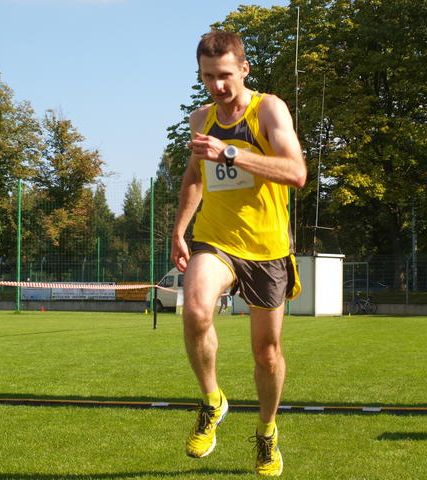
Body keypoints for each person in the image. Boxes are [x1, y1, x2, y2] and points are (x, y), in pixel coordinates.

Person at [171, 31, 306, 477]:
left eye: (225, 75)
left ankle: (266, 432)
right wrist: (180, 230)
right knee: (195, 310)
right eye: (208, 77)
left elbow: (296, 173)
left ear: (244, 69)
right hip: (216, 239)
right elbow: (195, 175)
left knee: (266, 353)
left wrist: (230, 152)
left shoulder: (268, 109)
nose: (217, 86)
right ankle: (212, 400)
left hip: (267, 248)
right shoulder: (200, 118)